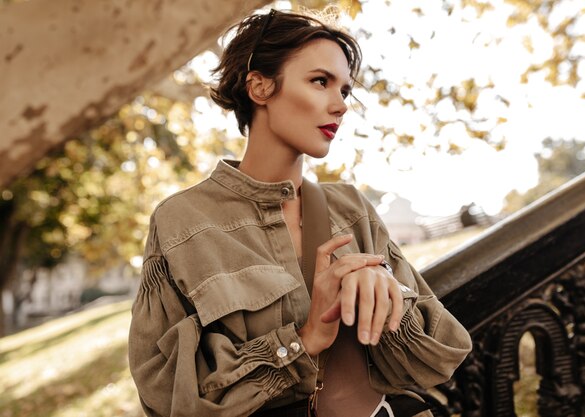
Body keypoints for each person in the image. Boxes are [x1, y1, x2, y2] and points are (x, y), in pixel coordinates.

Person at [128, 8, 472, 417]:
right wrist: (303, 341)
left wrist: (383, 292)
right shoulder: (181, 223)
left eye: (344, 90)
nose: (340, 105)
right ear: (259, 87)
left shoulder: (351, 207)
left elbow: (441, 354)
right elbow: (169, 398)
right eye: (320, 81)